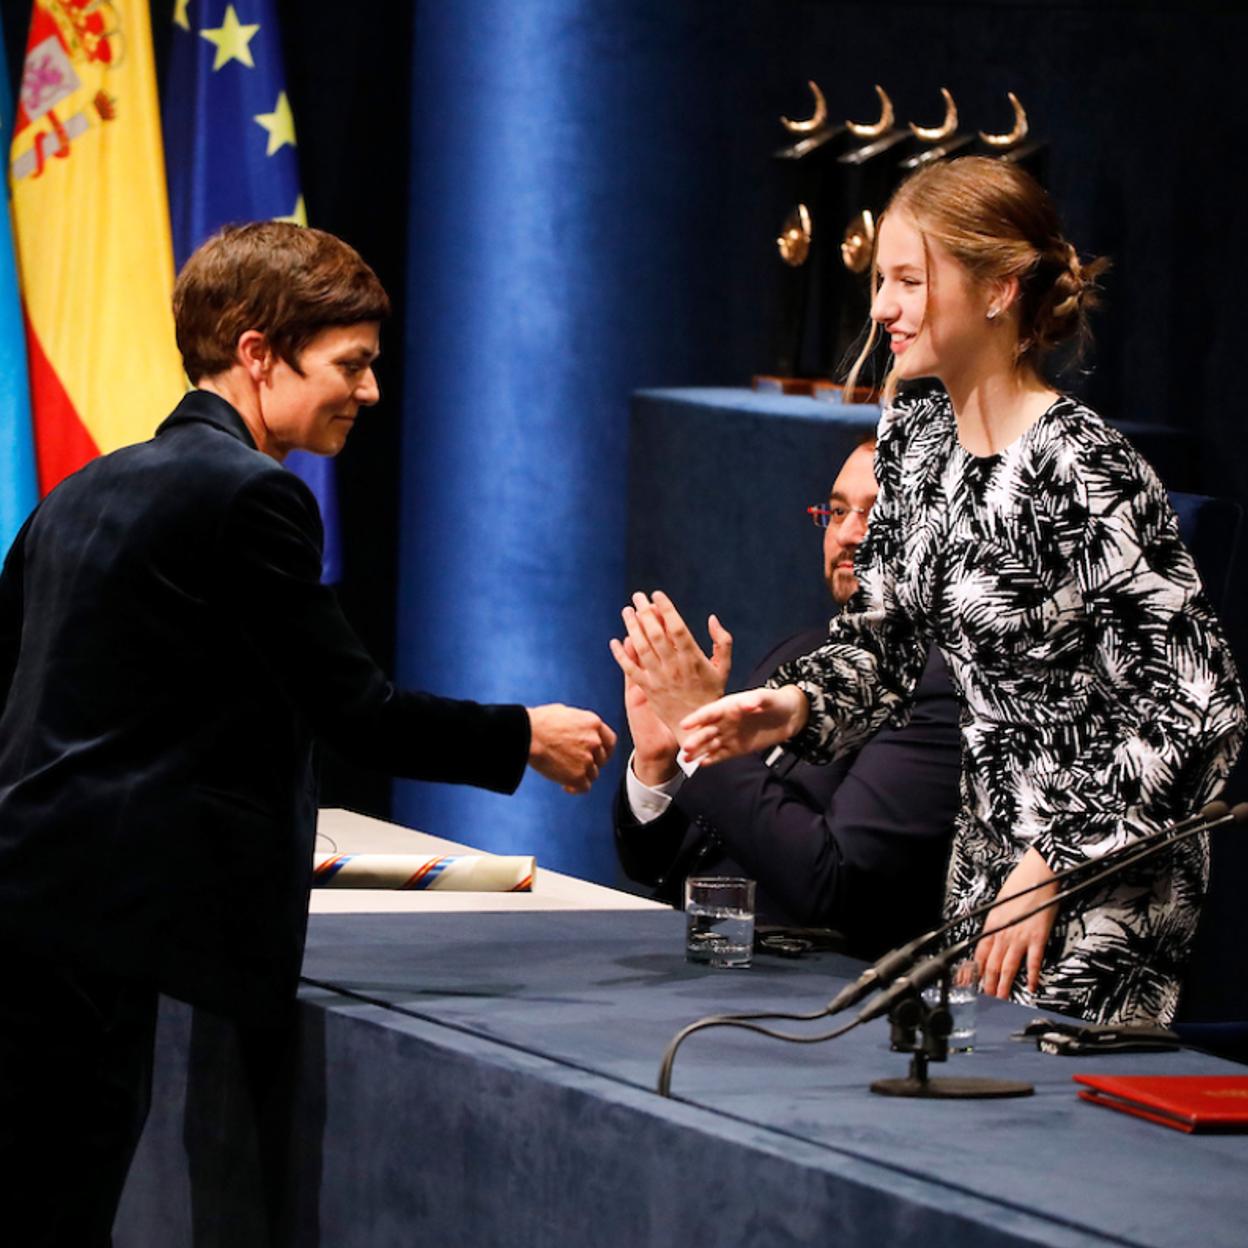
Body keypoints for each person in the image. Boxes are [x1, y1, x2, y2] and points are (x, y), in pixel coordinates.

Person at [0, 222, 615, 1244]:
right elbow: (354, 709)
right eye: (352, 364)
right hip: (83, 942)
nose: (369, 393)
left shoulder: (79, 491)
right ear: (256, 352)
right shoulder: (251, 496)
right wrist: (525, 735)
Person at [617, 157, 1245, 1027]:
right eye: (881, 281)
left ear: (1000, 289)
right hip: (981, 874)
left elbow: (1200, 708)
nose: (881, 309)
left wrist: (1056, 859)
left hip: (1096, 884)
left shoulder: (1085, 465)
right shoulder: (912, 437)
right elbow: (884, 643)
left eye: (909, 281)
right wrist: (792, 707)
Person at [613, 439, 961, 958]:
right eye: (838, 510)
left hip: (808, 1008)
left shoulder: (940, 680)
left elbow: (834, 885)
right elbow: (662, 866)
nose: (847, 533)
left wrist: (703, 740)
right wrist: (662, 765)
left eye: (878, 511)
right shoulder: (799, 653)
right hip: (695, 964)